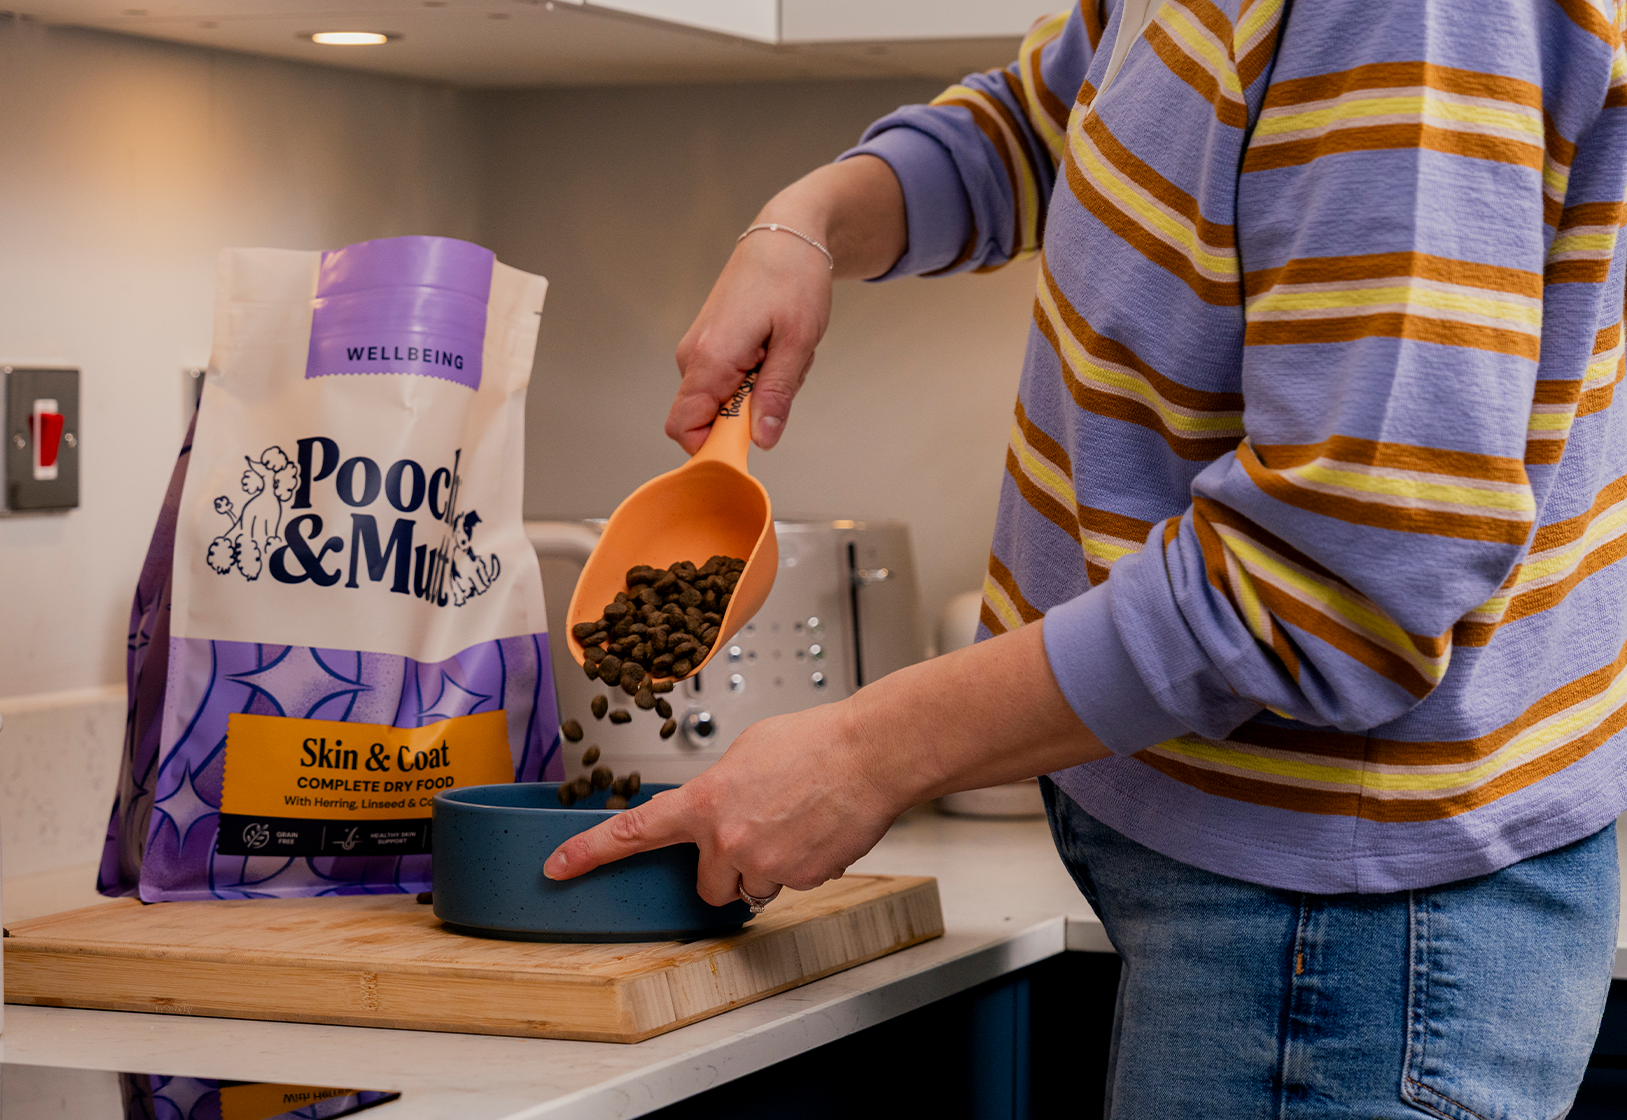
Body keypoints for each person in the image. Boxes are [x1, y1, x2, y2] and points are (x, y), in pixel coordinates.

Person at [544, 0, 1627, 1114]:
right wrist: (805, 221)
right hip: (1253, 882)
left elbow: (1335, 579)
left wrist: (865, 753)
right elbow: (1047, 116)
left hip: (1342, 937)